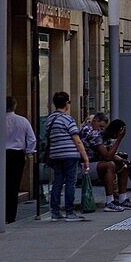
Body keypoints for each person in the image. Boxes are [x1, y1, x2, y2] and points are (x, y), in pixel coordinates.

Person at [0, 96, 36, 224]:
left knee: (3, 184)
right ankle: (11, 215)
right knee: (14, 184)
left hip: (3, 154)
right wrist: (28, 152)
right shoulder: (23, 121)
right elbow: (32, 138)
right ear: (15, 106)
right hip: (17, 155)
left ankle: (3, 213)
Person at [44, 91, 90, 222]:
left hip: (55, 155)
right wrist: (85, 158)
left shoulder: (49, 120)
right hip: (69, 154)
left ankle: (55, 212)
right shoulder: (68, 119)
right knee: (70, 182)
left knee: (57, 182)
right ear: (66, 103)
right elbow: (77, 140)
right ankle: (69, 211)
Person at [80, 113, 131, 210]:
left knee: (123, 165)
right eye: (101, 126)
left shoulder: (101, 135)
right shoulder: (93, 133)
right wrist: (119, 140)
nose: (101, 129)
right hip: (84, 165)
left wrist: (123, 161)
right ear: (95, 121)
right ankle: (110, 201)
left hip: (94, 164)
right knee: (109, 165)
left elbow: (109, 153)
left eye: (103, 127)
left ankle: (122, 199)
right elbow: (107, 156)